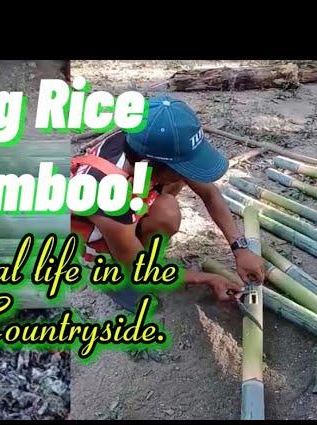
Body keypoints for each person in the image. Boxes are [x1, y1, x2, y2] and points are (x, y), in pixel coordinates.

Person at [71, 96, 265, 310]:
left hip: (129, 206)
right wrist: (206, 279)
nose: (188, 177)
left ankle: (134, 244)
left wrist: (240, 248)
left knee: (167, 210)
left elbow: (208, 192)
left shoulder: (145, 141)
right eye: (182, 168)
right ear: (150, 165)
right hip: (97, 236)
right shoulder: (106, 195)